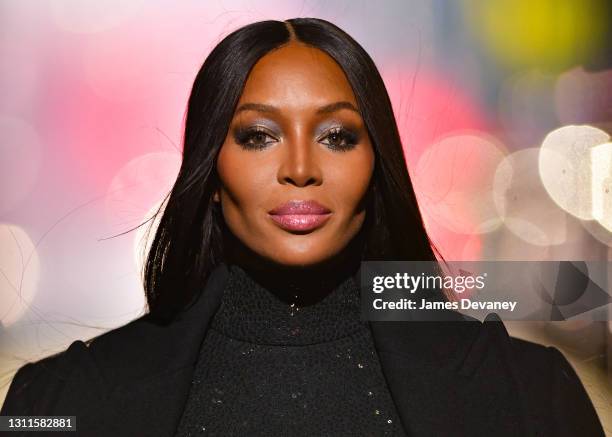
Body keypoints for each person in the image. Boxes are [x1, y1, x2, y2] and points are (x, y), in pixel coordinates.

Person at [0, 17, 605, 437]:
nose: (299, 169)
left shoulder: (528, 399)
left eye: (336, 136)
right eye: (258, 136)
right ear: (210, 168)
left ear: (378, 162)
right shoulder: (61, 404)